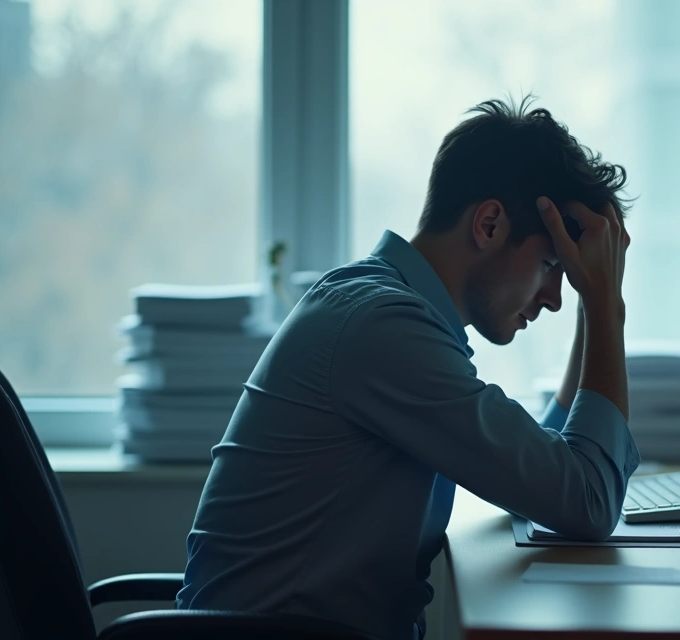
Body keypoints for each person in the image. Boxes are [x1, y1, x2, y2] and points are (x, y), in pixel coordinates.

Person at [175, 97, 640, 640]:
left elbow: (556, 466)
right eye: (551, 266)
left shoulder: (383, 310)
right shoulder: (381, 329)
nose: (557, 298)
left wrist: (595, 302)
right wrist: (607, 308)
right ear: (489, 224)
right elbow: (587, 500)